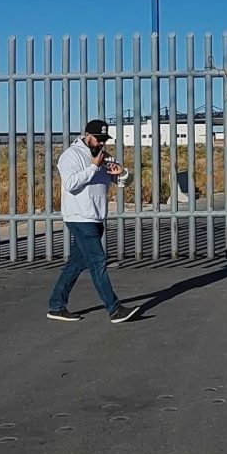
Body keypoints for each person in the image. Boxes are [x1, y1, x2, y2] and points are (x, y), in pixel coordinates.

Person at [46, 119, 140, 323]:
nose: (101, 144)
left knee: (75, 264)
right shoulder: (70, 156)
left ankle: (56, 305)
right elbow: (70, 184)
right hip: (79, 217)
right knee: (98, 261)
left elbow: (125, 182)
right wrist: (93, 167)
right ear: (87, 135)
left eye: (104, 140)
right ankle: (114, 309)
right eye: (98, 139)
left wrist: (122, 174)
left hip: (96, 216)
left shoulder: (104, 156)